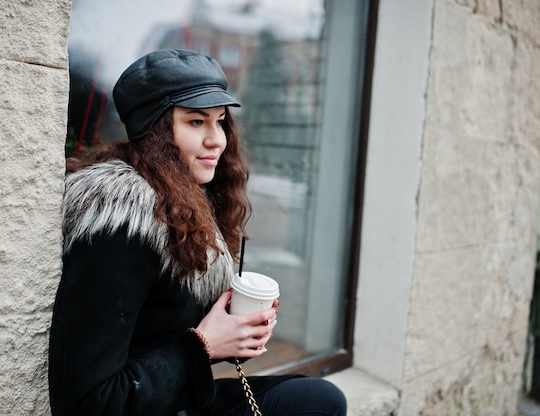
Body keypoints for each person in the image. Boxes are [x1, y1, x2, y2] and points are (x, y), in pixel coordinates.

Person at [48, 48, 346, 416]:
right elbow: (89, 403)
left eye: (220, 121)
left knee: (318, 400)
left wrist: (236, 329)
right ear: (154, 131)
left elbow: (163, 329)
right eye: (195, 122)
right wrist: (204, 345)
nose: (216, 140)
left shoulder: (184, 204)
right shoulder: (120, 229)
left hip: (176, 399)